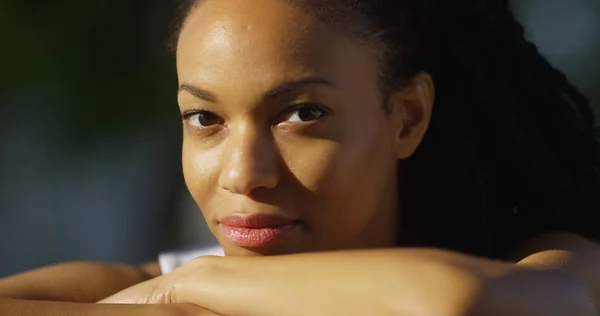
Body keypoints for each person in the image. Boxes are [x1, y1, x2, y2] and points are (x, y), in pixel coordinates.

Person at [2, 0, 600, 315]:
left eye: (302, 113)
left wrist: (184, 296)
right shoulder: (170, 281)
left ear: (407, 116)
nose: (243, 174)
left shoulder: (548, 262)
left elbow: (454, 303)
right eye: (204, 118)